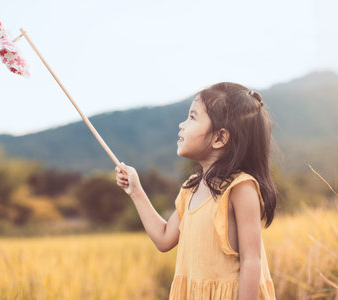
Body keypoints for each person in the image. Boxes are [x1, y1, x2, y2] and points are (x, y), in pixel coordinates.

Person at [115, 82, 278, 299]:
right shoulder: (190, 188)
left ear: (220, 138)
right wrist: (136, 191)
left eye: (192, 117)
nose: (182, 125)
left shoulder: (240, 188)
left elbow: (252, 260)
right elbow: (164, 239)